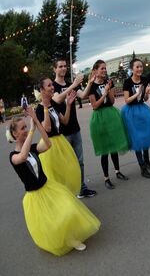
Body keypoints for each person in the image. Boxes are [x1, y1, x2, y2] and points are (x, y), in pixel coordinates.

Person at [7, 107, 100, 256]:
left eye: (26, 126)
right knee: (51, 223)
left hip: (49, 187)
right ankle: (65, 240)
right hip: (35, 196)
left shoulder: (32, 148)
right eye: (22, 128)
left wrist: (37, 122)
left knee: (68, 209)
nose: (26, 130)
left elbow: (48, 144)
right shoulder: (13, 156)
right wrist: (32, 130)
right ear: (14, 134)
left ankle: (72, 238)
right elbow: (22, 157)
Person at [52, 59, 96, 199]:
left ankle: (82, 188)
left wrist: (89, 82)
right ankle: (69, 191)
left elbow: (82, 95)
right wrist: (74, 85)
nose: (63, 69)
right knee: (67, 163)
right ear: (54, 69)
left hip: (75, 128)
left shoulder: (71, 84)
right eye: (60, 66)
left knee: (80, 161)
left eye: (65, 66)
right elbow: (57, 99)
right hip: (62, 132)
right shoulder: (53, 86)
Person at [35, 78, 81, 195]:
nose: (52, 87)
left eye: (52, 85)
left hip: (60, 141)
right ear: (42, 90)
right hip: (49, 145)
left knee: (67, 171)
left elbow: (64, 121)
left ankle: (70, 197)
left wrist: (69, 105)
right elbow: (47, 128)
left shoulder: (54, 104)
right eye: (49, 85)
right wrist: (45, 107)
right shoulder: (39, 110)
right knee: (55, 176)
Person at [88, 60, 130, 190]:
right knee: (104, 149)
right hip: (99, 117)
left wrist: (110, 90)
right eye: (102, 69)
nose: (104, 71)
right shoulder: (92, 87)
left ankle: (117, 171)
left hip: (111, 115)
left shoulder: (108, 83)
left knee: (114, 146)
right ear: (95, 71)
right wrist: (104, 93)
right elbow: (94, 106)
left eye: (105, 69)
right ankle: (106, 178)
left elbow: (111, 102)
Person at [121, 58, 150, 178]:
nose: (140, 69)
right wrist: (137, 93)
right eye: (137, 67)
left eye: (141, 67)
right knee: (137, 139)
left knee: (145, 136)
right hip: (131, 112)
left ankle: (146, 161)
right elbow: (127, 101)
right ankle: (142, 167)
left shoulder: (145, 80)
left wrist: (146, 93)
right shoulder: (127, 82)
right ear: (132, 69)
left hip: (143, 110)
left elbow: (145, 99)